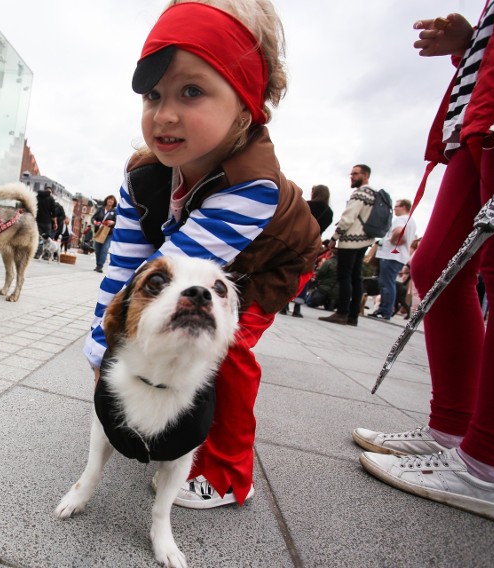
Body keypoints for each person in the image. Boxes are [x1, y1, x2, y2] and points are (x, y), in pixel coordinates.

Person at [84, 0, 319, 509]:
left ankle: (230, 472)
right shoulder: (143, 176)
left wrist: (114, 355)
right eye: (153, 94)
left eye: (192, 91)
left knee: (225, 347)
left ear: (246, 105)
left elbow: (176, 274)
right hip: (206, 260)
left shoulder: (251, 183)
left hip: (273, 265)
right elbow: (129, 272)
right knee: (161, 321)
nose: (164, 114)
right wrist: (104, 350)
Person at [354, 4, 494, 521]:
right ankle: (452, 426)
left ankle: (488, 460)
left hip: (492, 111)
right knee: (438, 264)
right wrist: (469, 42)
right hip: (478, 115)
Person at [319, 165, 376, 326]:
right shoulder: (373, 194)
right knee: (356, 278)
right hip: (365, 239)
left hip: (351, 239)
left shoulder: (360, 192)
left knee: (344, 276)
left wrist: (334, 236)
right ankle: (353, 316)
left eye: (356, 174)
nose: (352, 176)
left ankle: (342, 313)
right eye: (351, 174)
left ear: (365, 175)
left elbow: (348, 217)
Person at [283, 184, 333, 316]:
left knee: (289, 272)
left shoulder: (307, 205)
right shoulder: (329, 213)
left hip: (297, 242)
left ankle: (284, 303)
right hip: (313, 244)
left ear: (315, 193)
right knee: (304, 275)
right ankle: (298, 307)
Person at [371, 199, 417, 320]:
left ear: (403, 207)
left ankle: (385, 310)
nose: (394, 209)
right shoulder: (411, 221)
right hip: (398, 256)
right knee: (389, 283)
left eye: (396, 206)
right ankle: (385, 309)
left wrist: (392, 240)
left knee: (386, 283)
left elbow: (399, 231)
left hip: (391, 255)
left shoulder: (401, 219)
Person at [91, 195, 116, 273]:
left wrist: (113, 222)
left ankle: (100, 266)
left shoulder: (115, 211)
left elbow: (118, 222)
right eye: (109, 199)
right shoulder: (100, 209)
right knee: (97, 248)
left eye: (112, 200)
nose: (110, 201)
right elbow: (93, 218)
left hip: (108, 233)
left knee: (104, 249)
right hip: (99, 231)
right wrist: (94, 222)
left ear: (114, 202)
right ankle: (98, 264)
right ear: (106, 200)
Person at [34, 185, 57, 253]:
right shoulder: (51, 199)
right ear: (50, 192)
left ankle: (37, 253)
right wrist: (55, 223)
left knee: (38, 238)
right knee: (48, 239)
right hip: (47, 222)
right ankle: (47, 254)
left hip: (37, 221)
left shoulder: (37, 197)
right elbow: (53, 212)